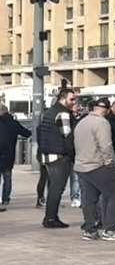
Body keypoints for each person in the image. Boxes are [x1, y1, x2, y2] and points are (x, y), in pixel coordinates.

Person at [73, 99, 115, 242]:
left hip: (81, 166)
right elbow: (106, 146)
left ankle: (90, 230)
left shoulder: (82, 122)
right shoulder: (102, 123)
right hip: (98, 165)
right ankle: (110, 230)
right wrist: (111, 165)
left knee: (89, 199)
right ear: (107, 110)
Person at [35, 87, 77, 229]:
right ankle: (51, 218)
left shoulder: (49, 112)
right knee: (57, 188)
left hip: (47, 155)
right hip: (59, 156)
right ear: (63, 98)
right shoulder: (63, 114)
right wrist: (72, 155)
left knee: (53, 187)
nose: (73, 102)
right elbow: (68, 136)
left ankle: (50, 217)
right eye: (71, 99)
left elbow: (40, 131)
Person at [0, 104, 29, 211]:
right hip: (9, 156)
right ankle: (5, 199)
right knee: (7, 179)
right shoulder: (14, 123)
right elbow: (26, 133)